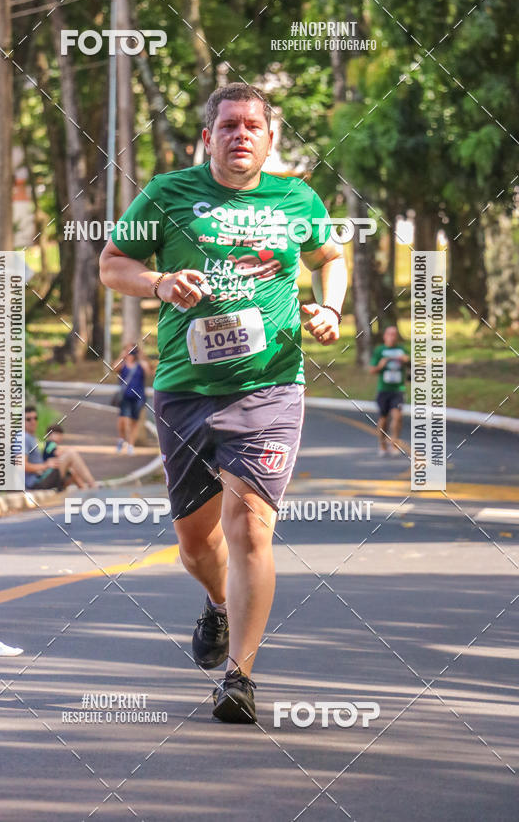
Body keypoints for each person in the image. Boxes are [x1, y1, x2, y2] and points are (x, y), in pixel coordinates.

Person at [99, 82, 347, 723]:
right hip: (185, 388)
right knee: (195, 542)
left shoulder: (297, 197)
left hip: (270, 384)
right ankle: (216, 602)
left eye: (252, 126)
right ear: (206, 138)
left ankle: (239, 677)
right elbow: (112, 264)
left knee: (249, 529)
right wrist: (159, 281)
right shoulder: (168, 194)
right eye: (228, 125)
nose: (240, 135)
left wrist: (330, 307)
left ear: (269, 140)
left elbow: (331, 257)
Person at [22, 406, 97, 490]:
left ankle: (87, 491)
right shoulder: (24, 438)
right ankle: (93, 486)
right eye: (28, 419)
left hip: (42, 476)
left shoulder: (32, 438)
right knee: (71, 454)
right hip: (36, 483)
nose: (33, 421)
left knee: (72, 471)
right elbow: (21, 465)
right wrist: (45, 465)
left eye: (35, 418)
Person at [370, 326, 410, 457]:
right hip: (383, 389)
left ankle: (394, 443)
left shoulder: (402, 349)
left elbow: (412, 366)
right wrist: (381, 365)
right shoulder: (380, 350)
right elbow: (372, 370)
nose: (392, 337)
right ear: (384, 336)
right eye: (389, 334)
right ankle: (382, 444)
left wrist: (407, 361)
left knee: (398, 416)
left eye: (394, 334)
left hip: (398, 389)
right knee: (383, 419)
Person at [112, 343, 150, 454]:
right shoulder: (122, 364)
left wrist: (142, 355)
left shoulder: (141, 365)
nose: (131, 354)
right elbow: (114, 368)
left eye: (133, 351)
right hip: (124, 396)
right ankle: (121, 439)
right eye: (129, 351)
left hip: (138, 397)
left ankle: (130, 445)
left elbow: (148, 371)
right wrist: (122, 356)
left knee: (134, 421)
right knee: (123, 420)